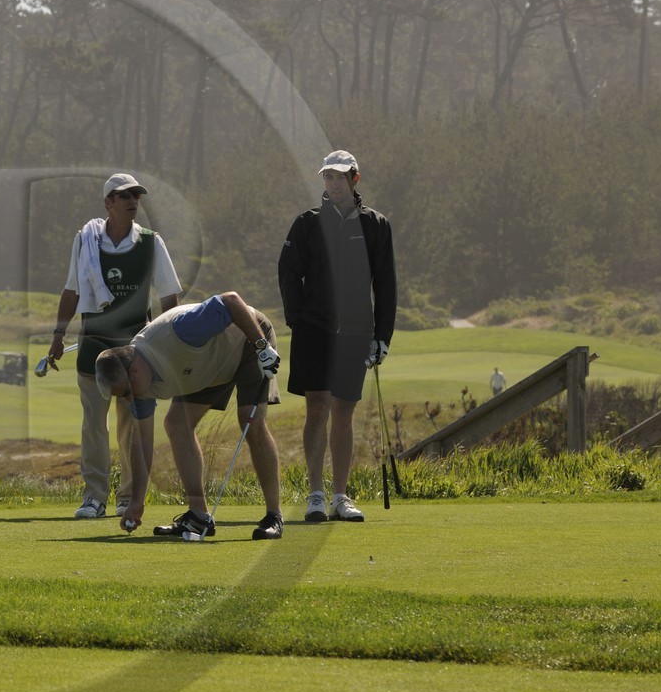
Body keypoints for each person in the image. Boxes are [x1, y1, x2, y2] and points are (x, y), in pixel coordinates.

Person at [92, 293, 284, 541]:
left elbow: (231, 300)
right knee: (176, 424)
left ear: (134, 369)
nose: (129, 399)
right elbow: (141, 444)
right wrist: (137, 501)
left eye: (127, 392)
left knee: (250, 420)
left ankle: (273, 515)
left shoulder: (181, 331)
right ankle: (198, 516)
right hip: (206, 366)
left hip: (248, 341)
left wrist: (261, 346)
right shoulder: (139, 385)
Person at [45, 172, 182, 521]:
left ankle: (127, 497)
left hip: (135, 348)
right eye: (124, 196)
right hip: (93, 344)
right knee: (94, 424)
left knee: (131, 426)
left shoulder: (151, 242)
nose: (132, 201)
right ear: (108, 203)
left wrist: (172, 343)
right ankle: (94, 496)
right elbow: (72, 290)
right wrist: (58, 335)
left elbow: (170, 296)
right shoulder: (86, 241)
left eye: (136, 195)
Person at [278, 149, 397, 525]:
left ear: (354, 179)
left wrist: (383, 335)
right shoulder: (307, 223)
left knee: (344, 412)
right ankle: (315, 494)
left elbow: (386, 283)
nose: (332, 184)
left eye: (339, 177)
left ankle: (340, 496)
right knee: (317, 408)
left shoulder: (375, 225)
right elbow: (287, 273)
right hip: (314, 330)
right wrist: (297, 319)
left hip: (356, 332)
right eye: (327, 178)